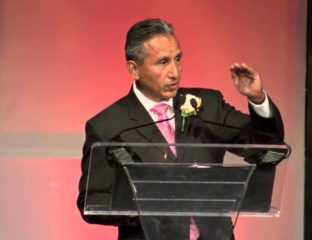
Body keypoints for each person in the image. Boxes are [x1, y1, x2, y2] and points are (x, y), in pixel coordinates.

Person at [77, 18, 284, 240]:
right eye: (163, 62)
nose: (175, 72)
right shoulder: (108, 125)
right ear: (134, 69)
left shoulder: (207, 106)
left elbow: (266, 146)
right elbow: (93, 200)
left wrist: (257, 99)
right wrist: (150, 205)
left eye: (178, 59)